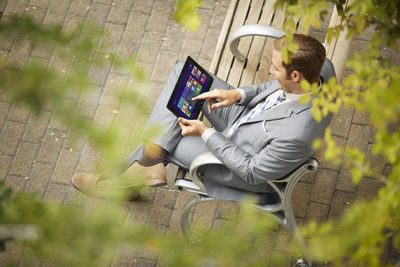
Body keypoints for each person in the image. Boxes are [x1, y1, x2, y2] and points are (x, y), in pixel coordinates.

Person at [71, 33, 335, 202]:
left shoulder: (296, 134)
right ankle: (145, 168)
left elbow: (252, 171)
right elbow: (271, 88)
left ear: (296, 75)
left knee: (166, 135)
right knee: (182, 75)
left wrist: (206, 134)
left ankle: (122, 179)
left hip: (234, 161)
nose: (269, 70)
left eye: (275, 68)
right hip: (245, 118)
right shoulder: (321, 69)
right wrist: (237, 94)